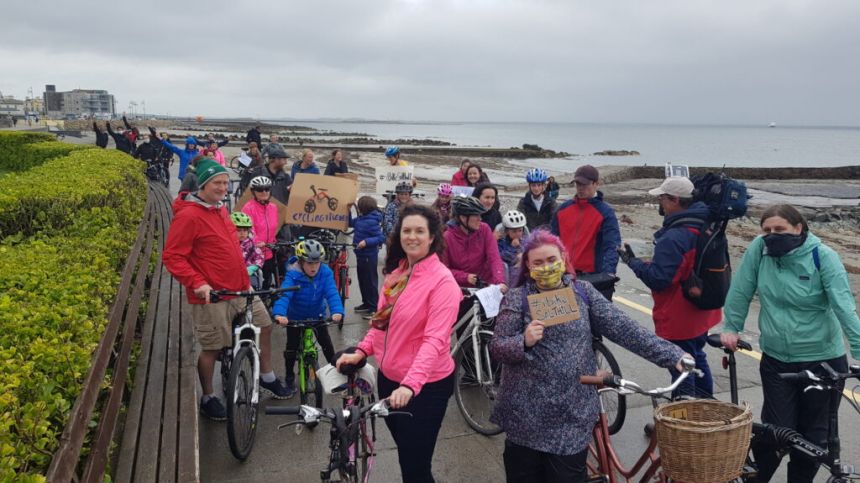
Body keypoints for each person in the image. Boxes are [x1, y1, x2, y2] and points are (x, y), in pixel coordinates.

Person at [490, 230, 689, 482]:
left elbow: (623, 327)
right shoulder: (517, 299)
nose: (546, 267)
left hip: (570, 414)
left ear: (563, 258)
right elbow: (497, 348)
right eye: (538, 263)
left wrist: (672, 355)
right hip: (525, 415)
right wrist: (524, 341)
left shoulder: (582, 292)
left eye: (551, 260)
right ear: (528, 266)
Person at [720, 204, 860, 483]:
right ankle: (756, 478)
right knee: (775, 432)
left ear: (799, 228)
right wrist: (731, 328)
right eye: (767, 230)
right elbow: (741, 290)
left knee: (813, 437)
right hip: (776, 360)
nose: (772, 235)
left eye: (780, 230)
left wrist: (859, 351)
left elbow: (845, 307)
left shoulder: (823, 257)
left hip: (822, 359)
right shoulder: (759, 250)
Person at [336, 205, 461, 483]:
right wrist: (361, 351)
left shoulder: (443, 283)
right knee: (407, 455)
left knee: (416, 468)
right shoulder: (398, 275)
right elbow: (381, 325)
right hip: (390, 382)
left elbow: (435, 341)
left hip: (424, 389)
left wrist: (410, 385)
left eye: (420, 231)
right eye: (407, 230)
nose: (412, 237)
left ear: (432, 238)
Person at [162, 159, 290, 420]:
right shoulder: (188, 215)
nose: (223, 187)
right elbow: (172, 257)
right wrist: (198, 283)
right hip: (212, 296)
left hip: (241, 288)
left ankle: (266, 375)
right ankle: (209, 396)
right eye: (217, 183)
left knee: (265, 325)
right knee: (212, 347)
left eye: (224, 182)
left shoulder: (220, 208)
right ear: (203, 184)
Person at [618, 176, 720, 397]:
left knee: (680, 367)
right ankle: (707, 410)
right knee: (696, 357)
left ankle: (683, 419)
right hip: (703, 310)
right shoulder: (705, 224)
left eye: (663, 198)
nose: (660, 203)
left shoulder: (674, 237)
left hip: (679, 315)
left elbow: (659, 280)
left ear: (674, 200)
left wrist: (633, 262)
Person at [272, 239, 344, 397]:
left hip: (317, 314)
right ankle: (290, 375)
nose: (313, 267)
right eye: (309, 263)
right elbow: (285, 295)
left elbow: (331, 293)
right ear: (300, 262)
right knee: (291, 347)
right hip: (295, 317)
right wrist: (279, 314)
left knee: (327, 344)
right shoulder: (293, 274)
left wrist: (337, 311)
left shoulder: (325, 273)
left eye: (316, 263)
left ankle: (335, 373)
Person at [551, 164, 621, 300]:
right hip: (563, 276)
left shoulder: (606, 213)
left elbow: (612, 246)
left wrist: (608, 274)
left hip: (593, 278)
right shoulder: (562, 210)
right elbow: (552, 241)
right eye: (577, 184)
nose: (580, 188)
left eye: (584, 184)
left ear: (596, 184)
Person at [442, 196, 506, 290]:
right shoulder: (447, 238)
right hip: (458, 288)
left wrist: (499, 282)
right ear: (463, 217)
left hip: (484, 285)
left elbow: (494, 257)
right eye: (476, 215)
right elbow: (442, 270)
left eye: (480, 215)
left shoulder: (485, 229)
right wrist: (465, 277)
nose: (480, 219)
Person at [241, 176, 287, 289]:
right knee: (258, 284)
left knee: (269, 280)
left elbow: (274, 228)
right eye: (260, 190)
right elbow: (249, 230)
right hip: (255, 253)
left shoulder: (273, 207)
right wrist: (257, 243)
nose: (264, 192)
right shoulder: (248, 208)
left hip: (270, 251)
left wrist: (277, 241)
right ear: (253, 192)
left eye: (267, 189)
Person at [350, 196, 385, 318]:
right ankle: (366, 303)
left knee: (370, 282)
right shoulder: (361, 218)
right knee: (363, 281)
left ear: (362, 208)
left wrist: (366, 242)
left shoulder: (371, 221)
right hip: (360, 255)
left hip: (369, 256)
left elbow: (381, 238)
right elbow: (350, 223)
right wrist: (348, 210)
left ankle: (374, 307)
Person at [230, 212, 264, 290]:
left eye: (245, 230)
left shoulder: (250, 244)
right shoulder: (227, 244)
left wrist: (253, 267)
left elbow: (259, 257)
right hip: (231, 276)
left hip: (247, 275)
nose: (242, 233)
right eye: (238, 230)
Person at [498, 210, 527, 281]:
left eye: (520, 230)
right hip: (509, 273)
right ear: (507, 231)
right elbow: (501, 257)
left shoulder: (525, 241)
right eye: (514, 231)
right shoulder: (501, 242)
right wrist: (512, 247)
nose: (517, 234)